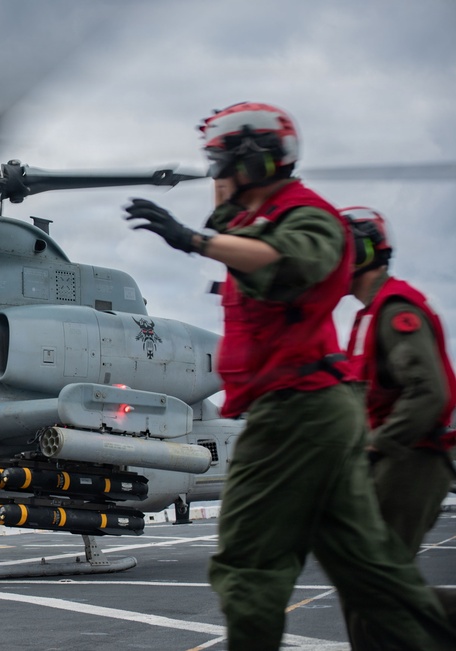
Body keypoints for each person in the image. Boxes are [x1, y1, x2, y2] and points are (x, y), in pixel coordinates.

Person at [122, 101, 455, 650]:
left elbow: (296, 261)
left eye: (221, 162)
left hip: (295, 411)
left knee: (248, 564)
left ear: (254, 160)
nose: (215, 175)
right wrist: (219, 224)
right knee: (370, 573)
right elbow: (257, 260)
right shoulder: (262, 226)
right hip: (313, 412)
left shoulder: (309, 218)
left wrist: (194, 239)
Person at [343, 206, 456, 635]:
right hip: (395, 458)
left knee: (377, 585)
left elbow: (429, 392)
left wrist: (376, 447)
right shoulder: (367, 315)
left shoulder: (395, 310)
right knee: (372, 583)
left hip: (413, 459)